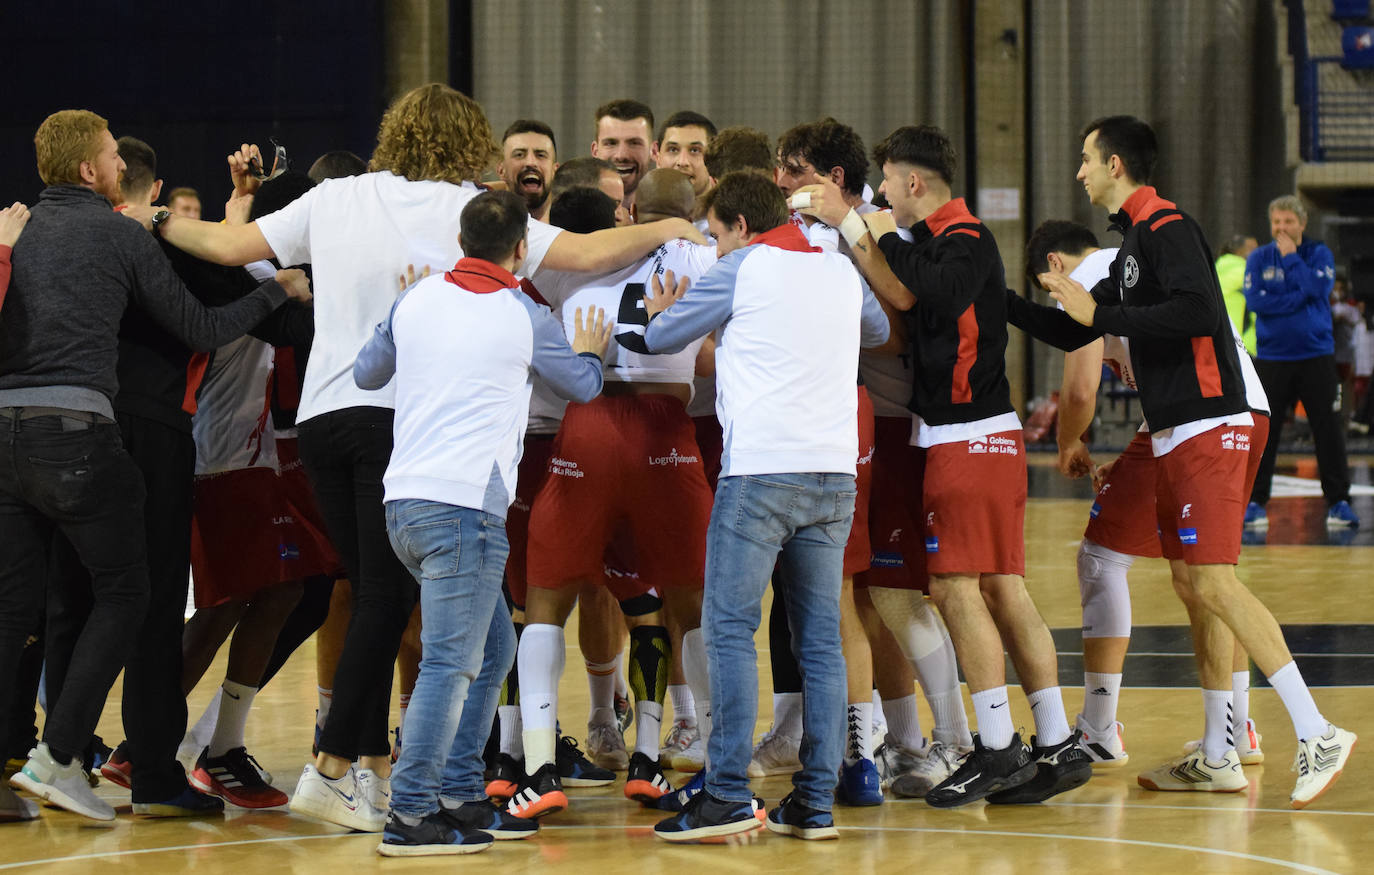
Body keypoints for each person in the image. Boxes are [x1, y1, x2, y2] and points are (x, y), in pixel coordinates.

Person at [125, 83, 705, 832]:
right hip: (407, 434)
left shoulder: (338, 200)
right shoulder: (468, 213)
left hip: (326, 420)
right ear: (469, 143)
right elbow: (592, 250)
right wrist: (670, 226)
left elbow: (231, 246)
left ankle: (402, 772)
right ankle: (350, 773)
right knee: (394, 606)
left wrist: (158, 216)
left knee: (403, 604)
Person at [1035, 115, 1357, 809]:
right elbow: (1093, 329)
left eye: (1086, 158)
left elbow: (1185, 318)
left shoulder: (1141, 241)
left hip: (1215, 415)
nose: (1079, 170)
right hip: (1204, 417)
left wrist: (1097, 325)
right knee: (1196, 578)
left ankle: (1313, 728)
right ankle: (1223, 745)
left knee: (1200, 577)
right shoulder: (1126, 252)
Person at [1, 109, 305, 823]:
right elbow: (221, 324)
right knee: (148, 598)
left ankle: (31, 754)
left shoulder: (20, 235)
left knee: (50, 603)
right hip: (124, 431)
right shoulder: (136, 237)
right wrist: (279, 286)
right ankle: (143, 769)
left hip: (19, 433)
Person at [353, 190, 610, 856]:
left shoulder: (418, 299)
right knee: (450, 662)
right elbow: (582, 387)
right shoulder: (524, 311)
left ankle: (462, 792)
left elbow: (366, 369)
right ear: (521, 249)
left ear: (462, 241)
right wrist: (587, 348)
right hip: (466, 507)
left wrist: (405, 317)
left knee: (493, 649)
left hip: (403, 503)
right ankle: (410, 812)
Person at [644, 170, 890, 842]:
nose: (714, 247)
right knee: (820, 641)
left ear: (743, 228)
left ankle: (724, 792)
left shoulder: (743, 267)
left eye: (716, 234)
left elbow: (665, 340)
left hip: (759, 472)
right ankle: (813, 800)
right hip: (833, 473)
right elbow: (873, 329)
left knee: (728, 629)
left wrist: (667, 306)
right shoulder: (839, 267)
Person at [853, 125, 1091, 809]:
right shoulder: (951, 245)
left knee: (958, 589)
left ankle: (992, 746)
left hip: (968, 438)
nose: (888, 198)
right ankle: (1053, 741)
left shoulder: (962, 239)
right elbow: (1015, 312)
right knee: (1001, 588)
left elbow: (923, 290)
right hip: (982, 439)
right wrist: (1084, 318)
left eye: (892, 184)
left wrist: (865, 231)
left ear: (914, 183)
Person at [509, 170, 719, 818]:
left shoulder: (578, 259)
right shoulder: (709, 256)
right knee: (691, 603)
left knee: (544, 598)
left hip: (590, 423)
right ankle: (688, 761)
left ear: (631, 211)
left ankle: (535, 766)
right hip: (665, 432)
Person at [1243, 195, 1358, 528]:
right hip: (1272, 358)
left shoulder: (1318, 253)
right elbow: (1256, 303)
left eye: (1288, 222)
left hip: (1316, 357)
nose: (1281, 228)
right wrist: (1298, 297)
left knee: (1328, 431)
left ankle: (1338, 502)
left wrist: (1292, 260)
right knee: (1265, 433)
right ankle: (1255, 501)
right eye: (1276, 222)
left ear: (1302, 224)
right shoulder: (1259, 258)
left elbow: (1318, 289)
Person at [591, 99, 654, 209]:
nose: (621, 155)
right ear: (595, 151)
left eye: (634, 143)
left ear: (652, 151)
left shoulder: (673, 219)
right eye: (611, 143)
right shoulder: (572, 220)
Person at [497, 119, 558, 222]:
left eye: (540, 155)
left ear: (554, 171)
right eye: (519, 155)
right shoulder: (486, 230)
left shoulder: (574, 230)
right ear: (501, 170)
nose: (530, 162)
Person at [653, 111, 716, 196]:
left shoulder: (736, 208)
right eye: (673, 149)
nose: (682, 162)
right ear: (658, 158)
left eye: (695, 150)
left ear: (715, 160)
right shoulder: (638, 207)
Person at [1215, 233, 1258, 355]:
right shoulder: (1247, 273)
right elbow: (1259, 311)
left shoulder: (1214, 270)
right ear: (1240, 251)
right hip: (1243, 345)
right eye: (1253, 249)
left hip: (1219, 340)